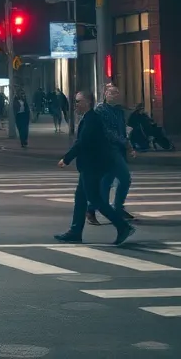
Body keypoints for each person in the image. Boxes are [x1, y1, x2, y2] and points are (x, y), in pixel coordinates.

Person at [54, 90, 135, 246]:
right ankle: (75, 231)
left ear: (88, 103)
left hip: (93, 166)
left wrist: (67, 158)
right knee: (80, 199)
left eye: (78, 101)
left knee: (95, 200)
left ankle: (123, 226)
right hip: (89, 166)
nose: (75, 104)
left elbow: (82, 143)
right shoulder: (89, 118)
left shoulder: (92, 119)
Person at [87, 85, 134, 225]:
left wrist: (127, 144)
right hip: (108, 150)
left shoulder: (119, 111)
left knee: (107, 181)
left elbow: (122, 129)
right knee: (124, 178)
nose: (115, 95)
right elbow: (107, 131)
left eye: (117, 93)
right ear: (105, 94)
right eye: (112, 93)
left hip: (118, 149)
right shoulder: (100, 110)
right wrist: (125, 143)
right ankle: (102, 208)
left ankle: (100, 209)